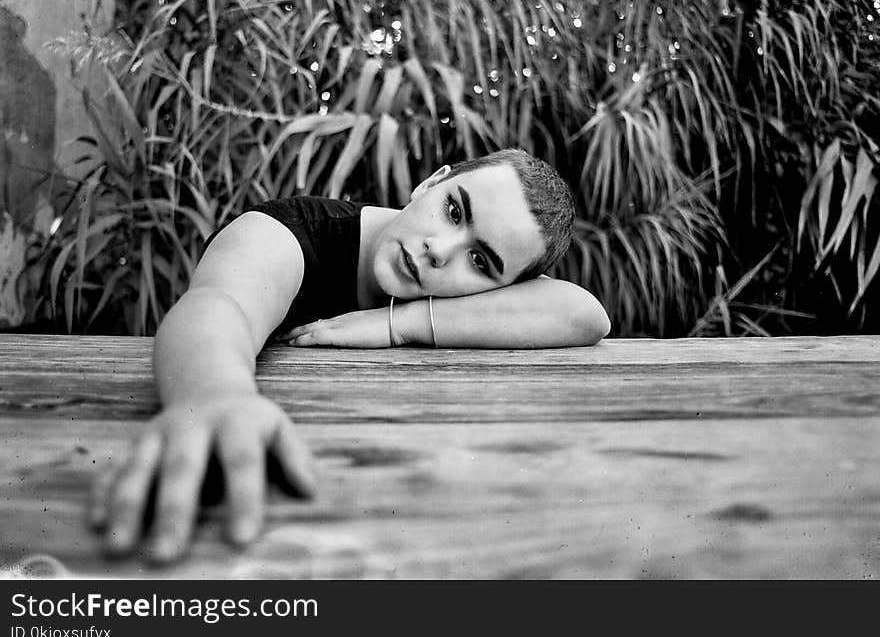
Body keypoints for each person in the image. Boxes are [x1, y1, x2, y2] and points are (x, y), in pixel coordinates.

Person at [89, 148, 610, 562]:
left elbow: (586, 314)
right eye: (453, 209)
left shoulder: (449, 291)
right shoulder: (287, 233)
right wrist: (215, 395)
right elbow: (218, 304)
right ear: (431, 182)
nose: (439, 249)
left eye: (479, 260)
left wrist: (398, 324)